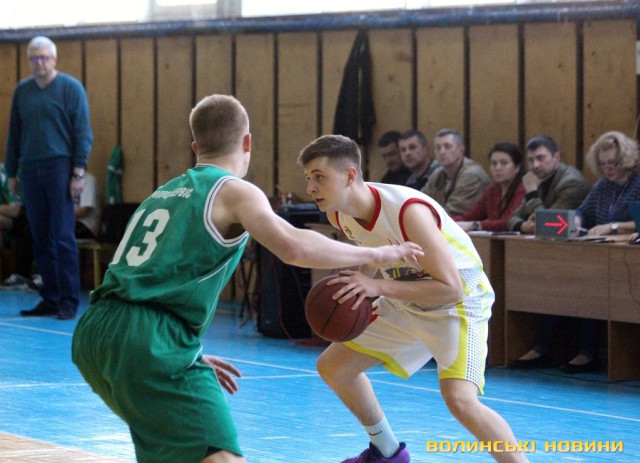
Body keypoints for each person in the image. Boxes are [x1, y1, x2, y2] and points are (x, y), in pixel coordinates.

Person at [71, 94, 423, 463]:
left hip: (97, 332)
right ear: (247, 142)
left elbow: (145, 279)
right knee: (222, 457)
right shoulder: (232, 190)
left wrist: (178, 350)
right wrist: (373, 253)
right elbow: (294, 246)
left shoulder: (162, 194)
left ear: (195, 147)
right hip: (149, 338)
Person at [298, 134, 528, 463]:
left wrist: (376, 287)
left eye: (319, 177)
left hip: (458, 304)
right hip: (405, 298)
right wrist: (363, 288)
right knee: (333, 367)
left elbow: (450, 288)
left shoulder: (407, 211)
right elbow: (373, 250)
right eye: (308, 178)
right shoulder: (340, 213)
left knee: (460, 400)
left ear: (349, 176)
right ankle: (387, 452)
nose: (311, 188)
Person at [510, 131, 640, 373]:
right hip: (598, 256)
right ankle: (546, 347)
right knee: (565, 283)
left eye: (613, 163)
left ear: (626, 160)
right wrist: (576, 220)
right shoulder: (602, 185)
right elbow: (582, 212)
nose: (608, 168)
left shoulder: (637, 184)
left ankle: (588, 353)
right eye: (603, 164)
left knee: (589, 287)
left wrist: (613, 226)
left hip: (624, 260)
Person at [4, 35, 93, 320]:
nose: (39, 63)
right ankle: (50, 298)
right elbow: (14, 133)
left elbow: (83, 132)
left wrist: (78, 171)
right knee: (40, 237)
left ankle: (68, 300)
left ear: (54, 59)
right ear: (29, 61)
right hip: (30, 169)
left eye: (44, 57)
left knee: (63, 235)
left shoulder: (70, 88)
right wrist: (11, 171)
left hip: (60, 167)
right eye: (34, 58)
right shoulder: (23, 91)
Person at [506, 135, 590, 233]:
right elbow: (512, 219)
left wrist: (532, 194)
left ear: (557, 157)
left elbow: (550, 224)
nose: (535, 165)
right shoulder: (539, 178)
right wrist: (523, 226)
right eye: (531, 160)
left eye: (541, 158)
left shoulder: (572, 183)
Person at [453, 142, 526, 232]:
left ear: (517, 167)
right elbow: (469, 217)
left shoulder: (523, 188)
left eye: (504, 163)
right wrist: (445, 222)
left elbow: (509, 223)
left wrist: (476, 225)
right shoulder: (493, 190)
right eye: (494, 163)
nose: (498, 168)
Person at [422, 128, 491, 216]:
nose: (442, 152)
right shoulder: (438, 174)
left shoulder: (472, 175)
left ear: (461, 150)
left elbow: (452, 213)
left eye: (447, 146)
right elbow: (421, 199)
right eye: (438, 148)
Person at [0, 163, 37, 291]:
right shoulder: (5, 172)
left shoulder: (33, 172)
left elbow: (18, 210)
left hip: (31, 215)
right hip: (17, 219)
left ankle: (24, 274)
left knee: (29, 225)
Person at [75, 171, 101, 239]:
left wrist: (60, 215)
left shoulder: (88, 180)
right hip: (71, 223)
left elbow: (84, 211)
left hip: (85, 225)